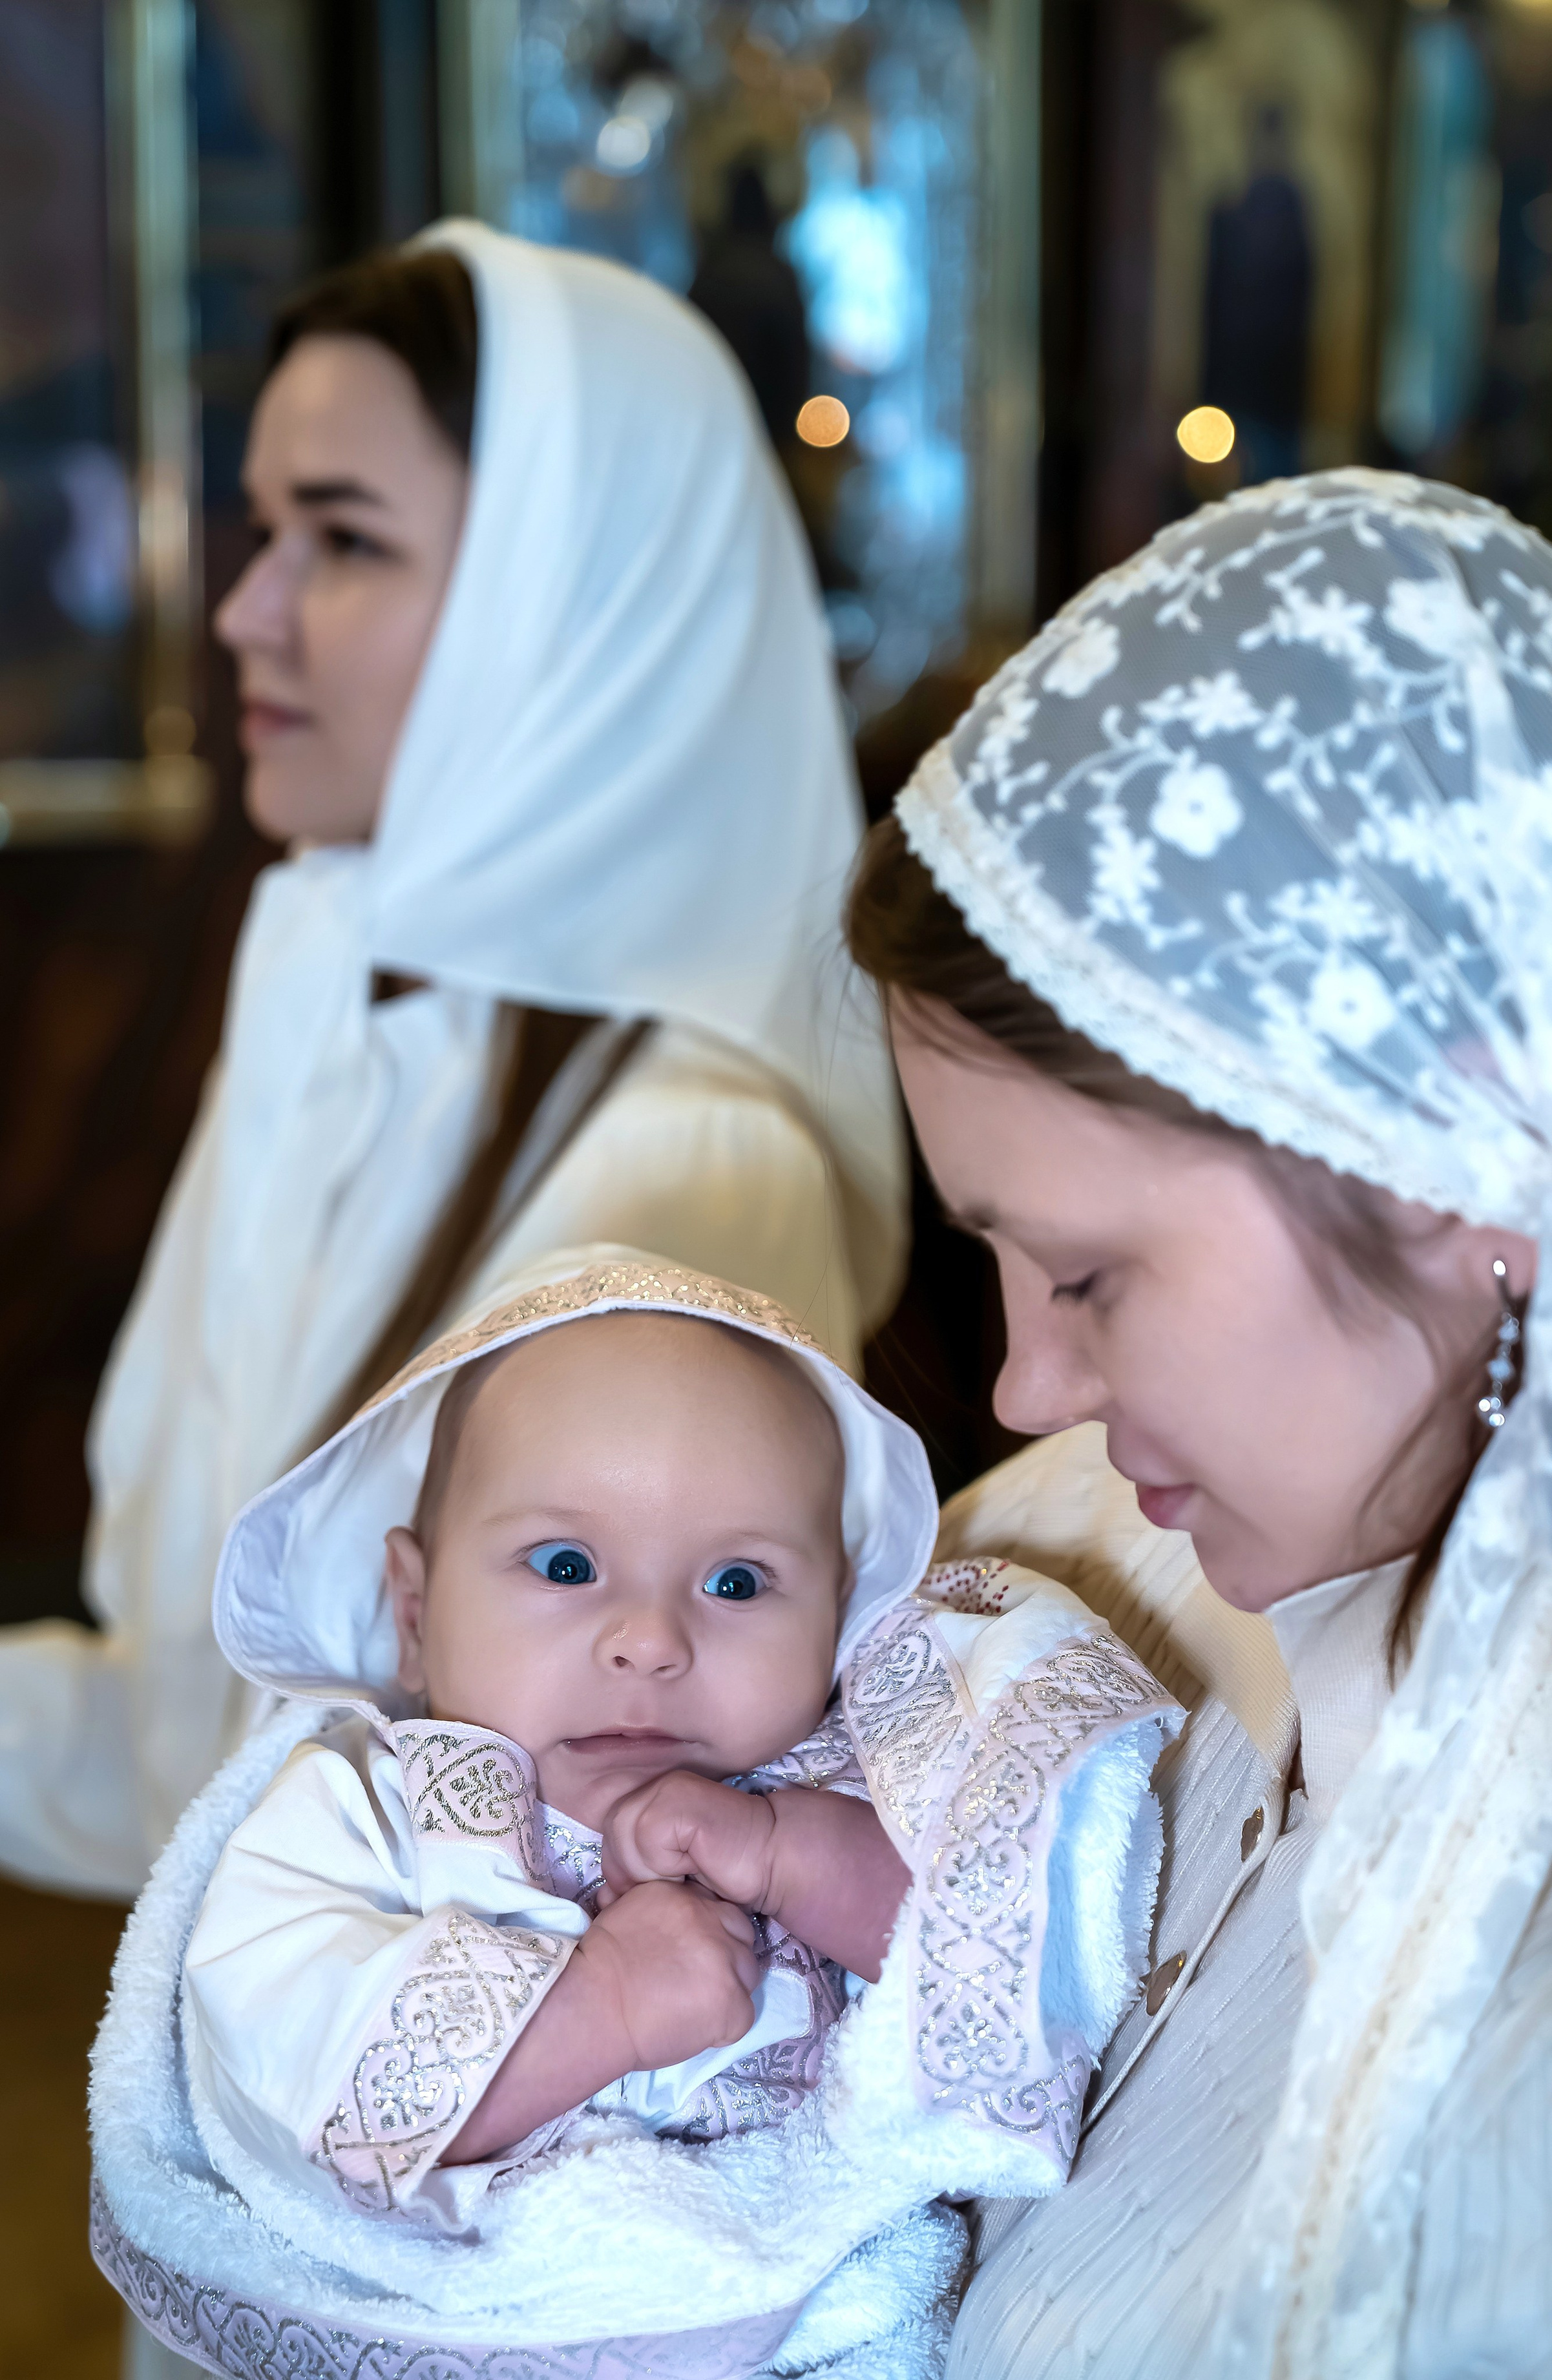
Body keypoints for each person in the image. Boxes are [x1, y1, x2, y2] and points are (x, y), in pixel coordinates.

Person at [844, 468, 1552, 2376]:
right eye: (995, 1266)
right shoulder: (1055, 1548)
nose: (1028, 1384)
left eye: (1092, 1274)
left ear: (1465, 1164)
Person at [0, 223, 906, 1900]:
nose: (246, 610)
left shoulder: (699, 1157)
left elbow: (576, 1856)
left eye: (339, 538)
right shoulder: (345, 1014)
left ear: (570, 614)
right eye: (266, 530)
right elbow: (182, 1750)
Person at [90, 1253, 1179, 2377]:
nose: (651, 1640)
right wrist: (601, 2004)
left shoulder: (842, 1772)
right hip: (482, 2322)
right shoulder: (362, 1810)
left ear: (840, 1617)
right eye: (566, 1564)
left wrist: (792, 1852)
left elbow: (974, 1950)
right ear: (414, 1613)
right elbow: (312, 2081)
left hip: (806, 2321)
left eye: (738, 1583)